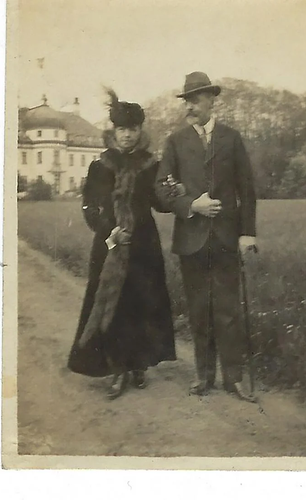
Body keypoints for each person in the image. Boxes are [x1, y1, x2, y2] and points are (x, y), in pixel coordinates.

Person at [68, 89, 176, 399]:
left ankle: (138, 365)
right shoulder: (99, 166)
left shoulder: (151, 165)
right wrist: (108, 232)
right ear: (113, 131)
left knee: (142, 303)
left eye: (133, 129)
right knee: (110, 306)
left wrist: (171, 192)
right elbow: (89, 208)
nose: (127, 135)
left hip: (143, 245)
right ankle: (117, 369)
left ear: (141, 131)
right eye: (122, 129)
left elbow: (160, 204)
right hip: (109, 245)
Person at [155, 72, 257, 402]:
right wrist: (191, 205)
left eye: (196, 99)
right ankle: (204, 376)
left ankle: (234, 378)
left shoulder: (232, 138)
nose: (190, 105)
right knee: (199, 310)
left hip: (226, 239)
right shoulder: (175, 141)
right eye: (187, 99)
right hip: (191, 240)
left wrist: (247, 233)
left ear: (212, 100)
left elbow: (247, 189)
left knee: (228, 310)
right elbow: (161, 189)